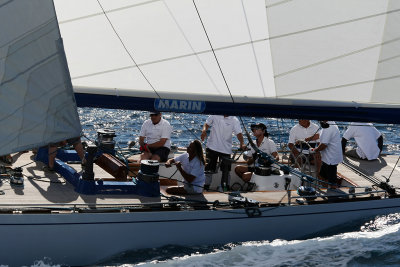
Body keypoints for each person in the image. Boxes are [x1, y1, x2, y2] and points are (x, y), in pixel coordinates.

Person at [201, 115, 246, 191]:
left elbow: (239, 133)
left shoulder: (234, 119)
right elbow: (207, 123)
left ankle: (225, 188)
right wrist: (204, 130)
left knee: (226, 171)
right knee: (208, 170)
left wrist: (242, 143)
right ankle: (205, 188)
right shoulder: (215, 114)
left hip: (226, 150)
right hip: (212, 147)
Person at [311, 121, 343, 188]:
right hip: (327, 159)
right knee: (322, 176)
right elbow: (318, 135)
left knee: (332, 182)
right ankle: (324, 190)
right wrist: (306, 139)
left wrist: (315, 150)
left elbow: (323, 145)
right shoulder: (327, 125)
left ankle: (334, 195)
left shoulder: (329, 127)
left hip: (331, 159)